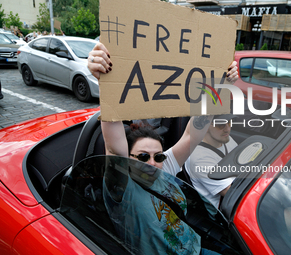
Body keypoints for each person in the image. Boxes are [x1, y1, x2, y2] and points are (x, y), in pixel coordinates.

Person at [87, 42, 238, 255]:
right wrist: (105, 81)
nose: (152, 163)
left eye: (157, 155)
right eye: (142, 156)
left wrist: (219, 84)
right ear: (127, 159)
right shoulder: (122, 185)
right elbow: (113, 147)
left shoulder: (163, 167)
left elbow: (191, 134)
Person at [184, 114, 237, 209]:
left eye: (229, 122)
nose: (227, 128)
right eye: (220, 124)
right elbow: (231, 193)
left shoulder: (223, 138)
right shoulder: (199, 158)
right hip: (224, 210)